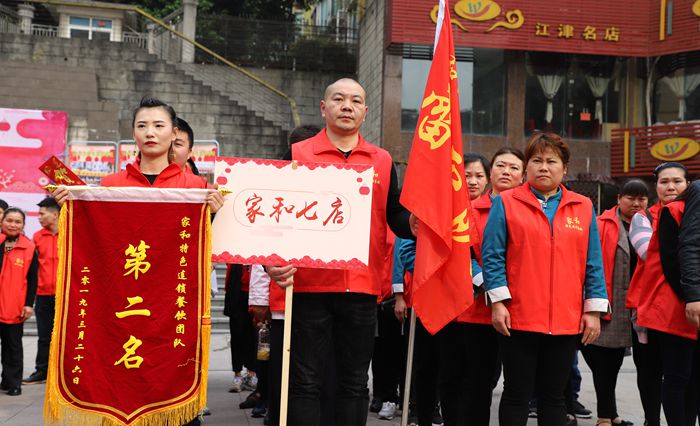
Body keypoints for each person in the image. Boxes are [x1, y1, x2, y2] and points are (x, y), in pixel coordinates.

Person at [53, 97, 223, 426]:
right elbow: (94, 241)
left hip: (171, 306)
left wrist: (213, 214)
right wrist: (71, 207)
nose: (150, 133)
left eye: (159, 125)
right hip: (121, 308)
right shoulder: (111, 185)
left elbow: (206, 245)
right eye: (142, 126)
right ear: (133, 133)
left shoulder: (196, 187)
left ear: (174, 133)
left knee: (173, 391)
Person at [265, 78, 414, 426]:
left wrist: (414, 225)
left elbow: (394, 213)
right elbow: (274, 210)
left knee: (355, 381)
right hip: (309, 286)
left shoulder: (381, 159)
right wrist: (271, 263)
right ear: (324, 107)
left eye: (355, 101)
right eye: (339, 99)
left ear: (365, 111)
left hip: (361, 287)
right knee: (305, 381)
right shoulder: (297, 155)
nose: (347, 106)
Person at [482, 132, 609, 425]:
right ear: (526, 167)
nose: (543, 167)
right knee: (516, 393)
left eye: (552, 161)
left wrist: (592, 311)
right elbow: (492, 257)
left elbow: (593, 262)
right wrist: (498, 303)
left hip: (565, 320)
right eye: (536, 160)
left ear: (564, 168)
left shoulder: (583, 206)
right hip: (519, 317)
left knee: (554, 397)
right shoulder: (507, 202)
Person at [438, 148, 524, 426]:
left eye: (513, 167)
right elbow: (461, 255)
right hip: (474, 309)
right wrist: (490, 285)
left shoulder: (528, 210)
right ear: (492, 173)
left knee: (495, 379)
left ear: (523, 175)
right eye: (500, 165)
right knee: (469, 379)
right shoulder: (470, 210)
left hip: (519, 310)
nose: (506, 172)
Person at [581, 179, 650, 426]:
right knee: (606, 363)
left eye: (641, 198)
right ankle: (605, 416)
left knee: (646, 367)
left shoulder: (651, 224)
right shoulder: (602, 224)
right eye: (630, 197)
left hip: (643, 305)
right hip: (611, 302)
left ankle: (633, 416)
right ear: (619, 199)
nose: (636, 203)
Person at [626, 162, 690, 426]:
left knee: (684, 376)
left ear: (688, 185)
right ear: (656, 186)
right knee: (651, 371)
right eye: (664, 182)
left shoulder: (693, 215)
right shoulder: (644, 217)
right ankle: (651, 420)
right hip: (651, 308)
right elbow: (655, 253)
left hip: (687, 307)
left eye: (677, 181)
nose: (671, 187)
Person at [0, 207, 38, 396]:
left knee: (13, 347)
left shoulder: (29, 247)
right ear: (2, 222)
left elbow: (33, 280)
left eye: (17, 222)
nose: (13, 225)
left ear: (23, 225)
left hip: (14, 306)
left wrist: (28, 305)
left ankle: (12, 382)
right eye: (9, 220)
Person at [23, 197, 61, 385]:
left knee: (66, 336)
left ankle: (65, 374)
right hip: (43, 294)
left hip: (66, 295)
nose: (39, 217)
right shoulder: (37, 237)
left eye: (42, 213)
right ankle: (42, 371)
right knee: (44, 336)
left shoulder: (70, 233)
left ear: (55, 214)